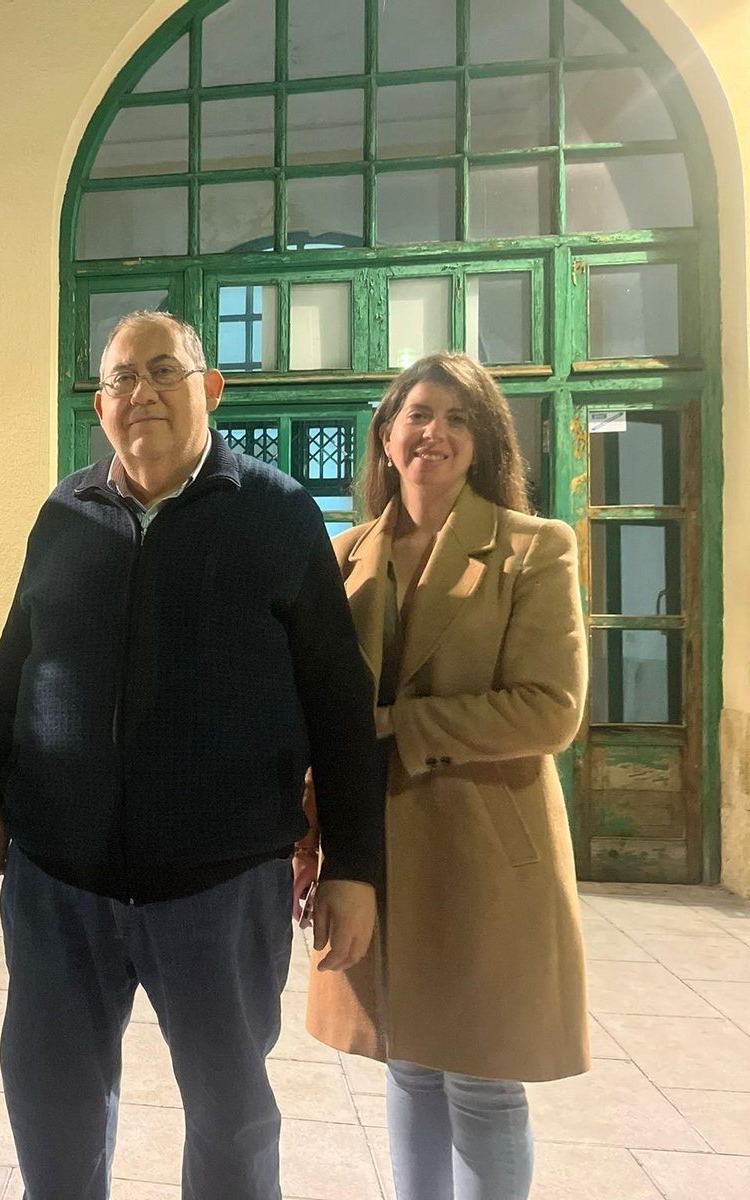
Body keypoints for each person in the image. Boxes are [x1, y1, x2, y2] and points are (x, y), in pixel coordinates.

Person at [0, 311, 383, 1200]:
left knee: (230, 1116)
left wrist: (354, 863)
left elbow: (339, 702)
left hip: (220, 886)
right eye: (122, 378)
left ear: (211, 389)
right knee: (50, 1105)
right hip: (58, 883)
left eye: (164, 371)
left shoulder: (274, 512)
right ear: (100, 403)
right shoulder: (63, 511)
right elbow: (15, 662)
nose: (141, 392)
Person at [295, 353, 589, 1200]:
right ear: (387, 437)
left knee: (485, 1082)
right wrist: (308, 830)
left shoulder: (533, 549)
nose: (436, 432)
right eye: (419, 414)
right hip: (372, 851)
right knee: (408, 1065)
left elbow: (549, 709)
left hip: (486, 853)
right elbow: (315, 710)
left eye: (460, 418)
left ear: (484, 442)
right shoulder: (341, 555)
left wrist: (394, 729)